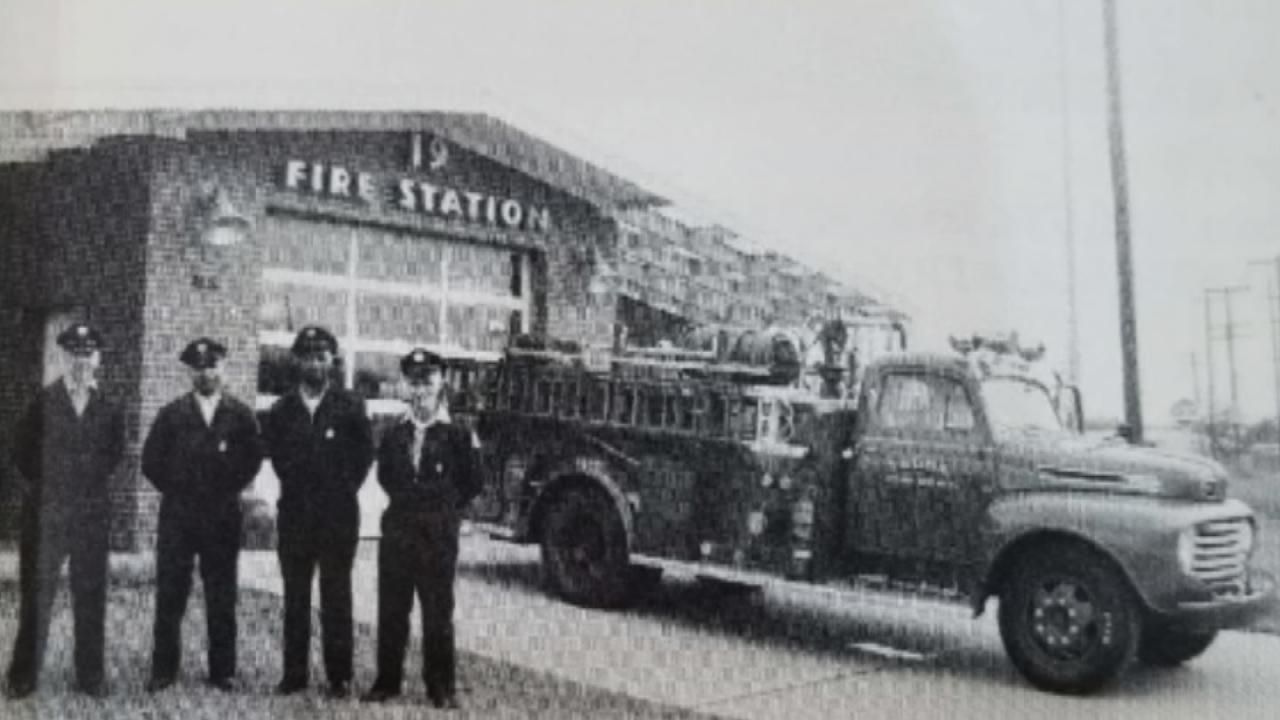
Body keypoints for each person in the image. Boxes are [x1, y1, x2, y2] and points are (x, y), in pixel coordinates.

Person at [5, 323, 125, 699]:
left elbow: (113, 455)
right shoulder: (44, 402)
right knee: (37, 596)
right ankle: (23, 676)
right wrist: (51, 486)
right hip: (47, 515)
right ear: (62, 358)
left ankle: (90, 677)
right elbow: (22, 452)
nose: (81, 362)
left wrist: (83, 486)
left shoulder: (108, 408)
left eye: (88, 354)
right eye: (74, 354)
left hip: (90, 516)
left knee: (90, 597)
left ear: (97, 360)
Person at [362, 349, 482, 710]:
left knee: (437, 614)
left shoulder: (458, 434)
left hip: (437, 538)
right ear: (406, 386)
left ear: (441, 382)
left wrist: (442, 511)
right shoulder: (395, 432)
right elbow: (385, 476)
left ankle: (441, 687)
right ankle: (387, 681)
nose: (420, 390)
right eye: (414, 382)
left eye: (427, 381)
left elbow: (473, 482)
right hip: (398, 534)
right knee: (392, 611)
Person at [141, 338, 263, 693]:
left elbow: (253, 459)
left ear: (222, 368)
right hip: (179, 516)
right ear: (190, 372)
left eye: (212, 366)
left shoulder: (239, 415)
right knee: (171, 593)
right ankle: (164, 669)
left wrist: (227, 487)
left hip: (222, 516)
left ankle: (222, 670)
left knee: (222, 594)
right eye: (199, 367)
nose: (206, 373)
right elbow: (151, 462)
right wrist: (179, 489)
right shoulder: (172, 414)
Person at [262, 325, 374, 698]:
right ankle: (294, 674)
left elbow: (362, 457)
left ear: (332, 361)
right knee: (295, 597)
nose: (315, 363)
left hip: (338, 517)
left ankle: (339, 676)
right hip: (295, 516)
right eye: (307, 356)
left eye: (321, 357)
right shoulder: (282, 409)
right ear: (297, 361)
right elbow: (278, 458)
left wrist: (338, 491)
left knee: (336, 596)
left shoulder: (350, 405)